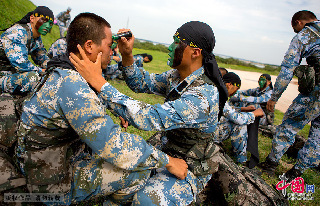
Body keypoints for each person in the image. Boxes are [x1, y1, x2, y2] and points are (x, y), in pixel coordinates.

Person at [14, 12, 187, 206]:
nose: (112, 52)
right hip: (48, 184)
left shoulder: (64, 69)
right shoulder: (72, 85)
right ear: (89, 46)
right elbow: (116, 146)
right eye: (108, 46)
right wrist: (168, 161)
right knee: (137, 171)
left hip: (42, 164)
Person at [71, 21, 229, 205]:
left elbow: (149, 117)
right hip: (167, 153)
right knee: (117, 186)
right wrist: (127, 54)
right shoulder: (176, 76)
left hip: (189, 167)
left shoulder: (203, 96)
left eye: (177, 43)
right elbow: (140, 82)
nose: (170, 48)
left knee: (147, 200)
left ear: (195, 52)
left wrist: (99, 83)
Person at [259, 10, 320, 181]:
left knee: (288, 126)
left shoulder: (304, 35)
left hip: (317, 93)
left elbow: (287, 70)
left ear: (299, 22)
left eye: (295, 28)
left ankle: (270, 165)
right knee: (318, 136)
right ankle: (295, 174)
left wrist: (274, 97)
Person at [0, 6, 53, 94]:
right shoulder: (18, 32)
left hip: (9, 73)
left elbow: (42, 58)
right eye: (44, 20)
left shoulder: (36, 38)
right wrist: (41, 71)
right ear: (32, 18)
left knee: (46, 78)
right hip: (3, 72)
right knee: (33, 78)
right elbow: (21, 64)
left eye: (50, 24)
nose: (47, 26)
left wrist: (53, 67)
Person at [215, 72, 264, 165]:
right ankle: (242, 161)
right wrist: (254, 114)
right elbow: (239, 119)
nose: (235, 92)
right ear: (229, 85)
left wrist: (243, 109)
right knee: (239, 125)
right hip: (206, 135)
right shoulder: (219, 95)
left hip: (201, 130)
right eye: (236, 89)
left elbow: (224, 110)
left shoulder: (215, 90)